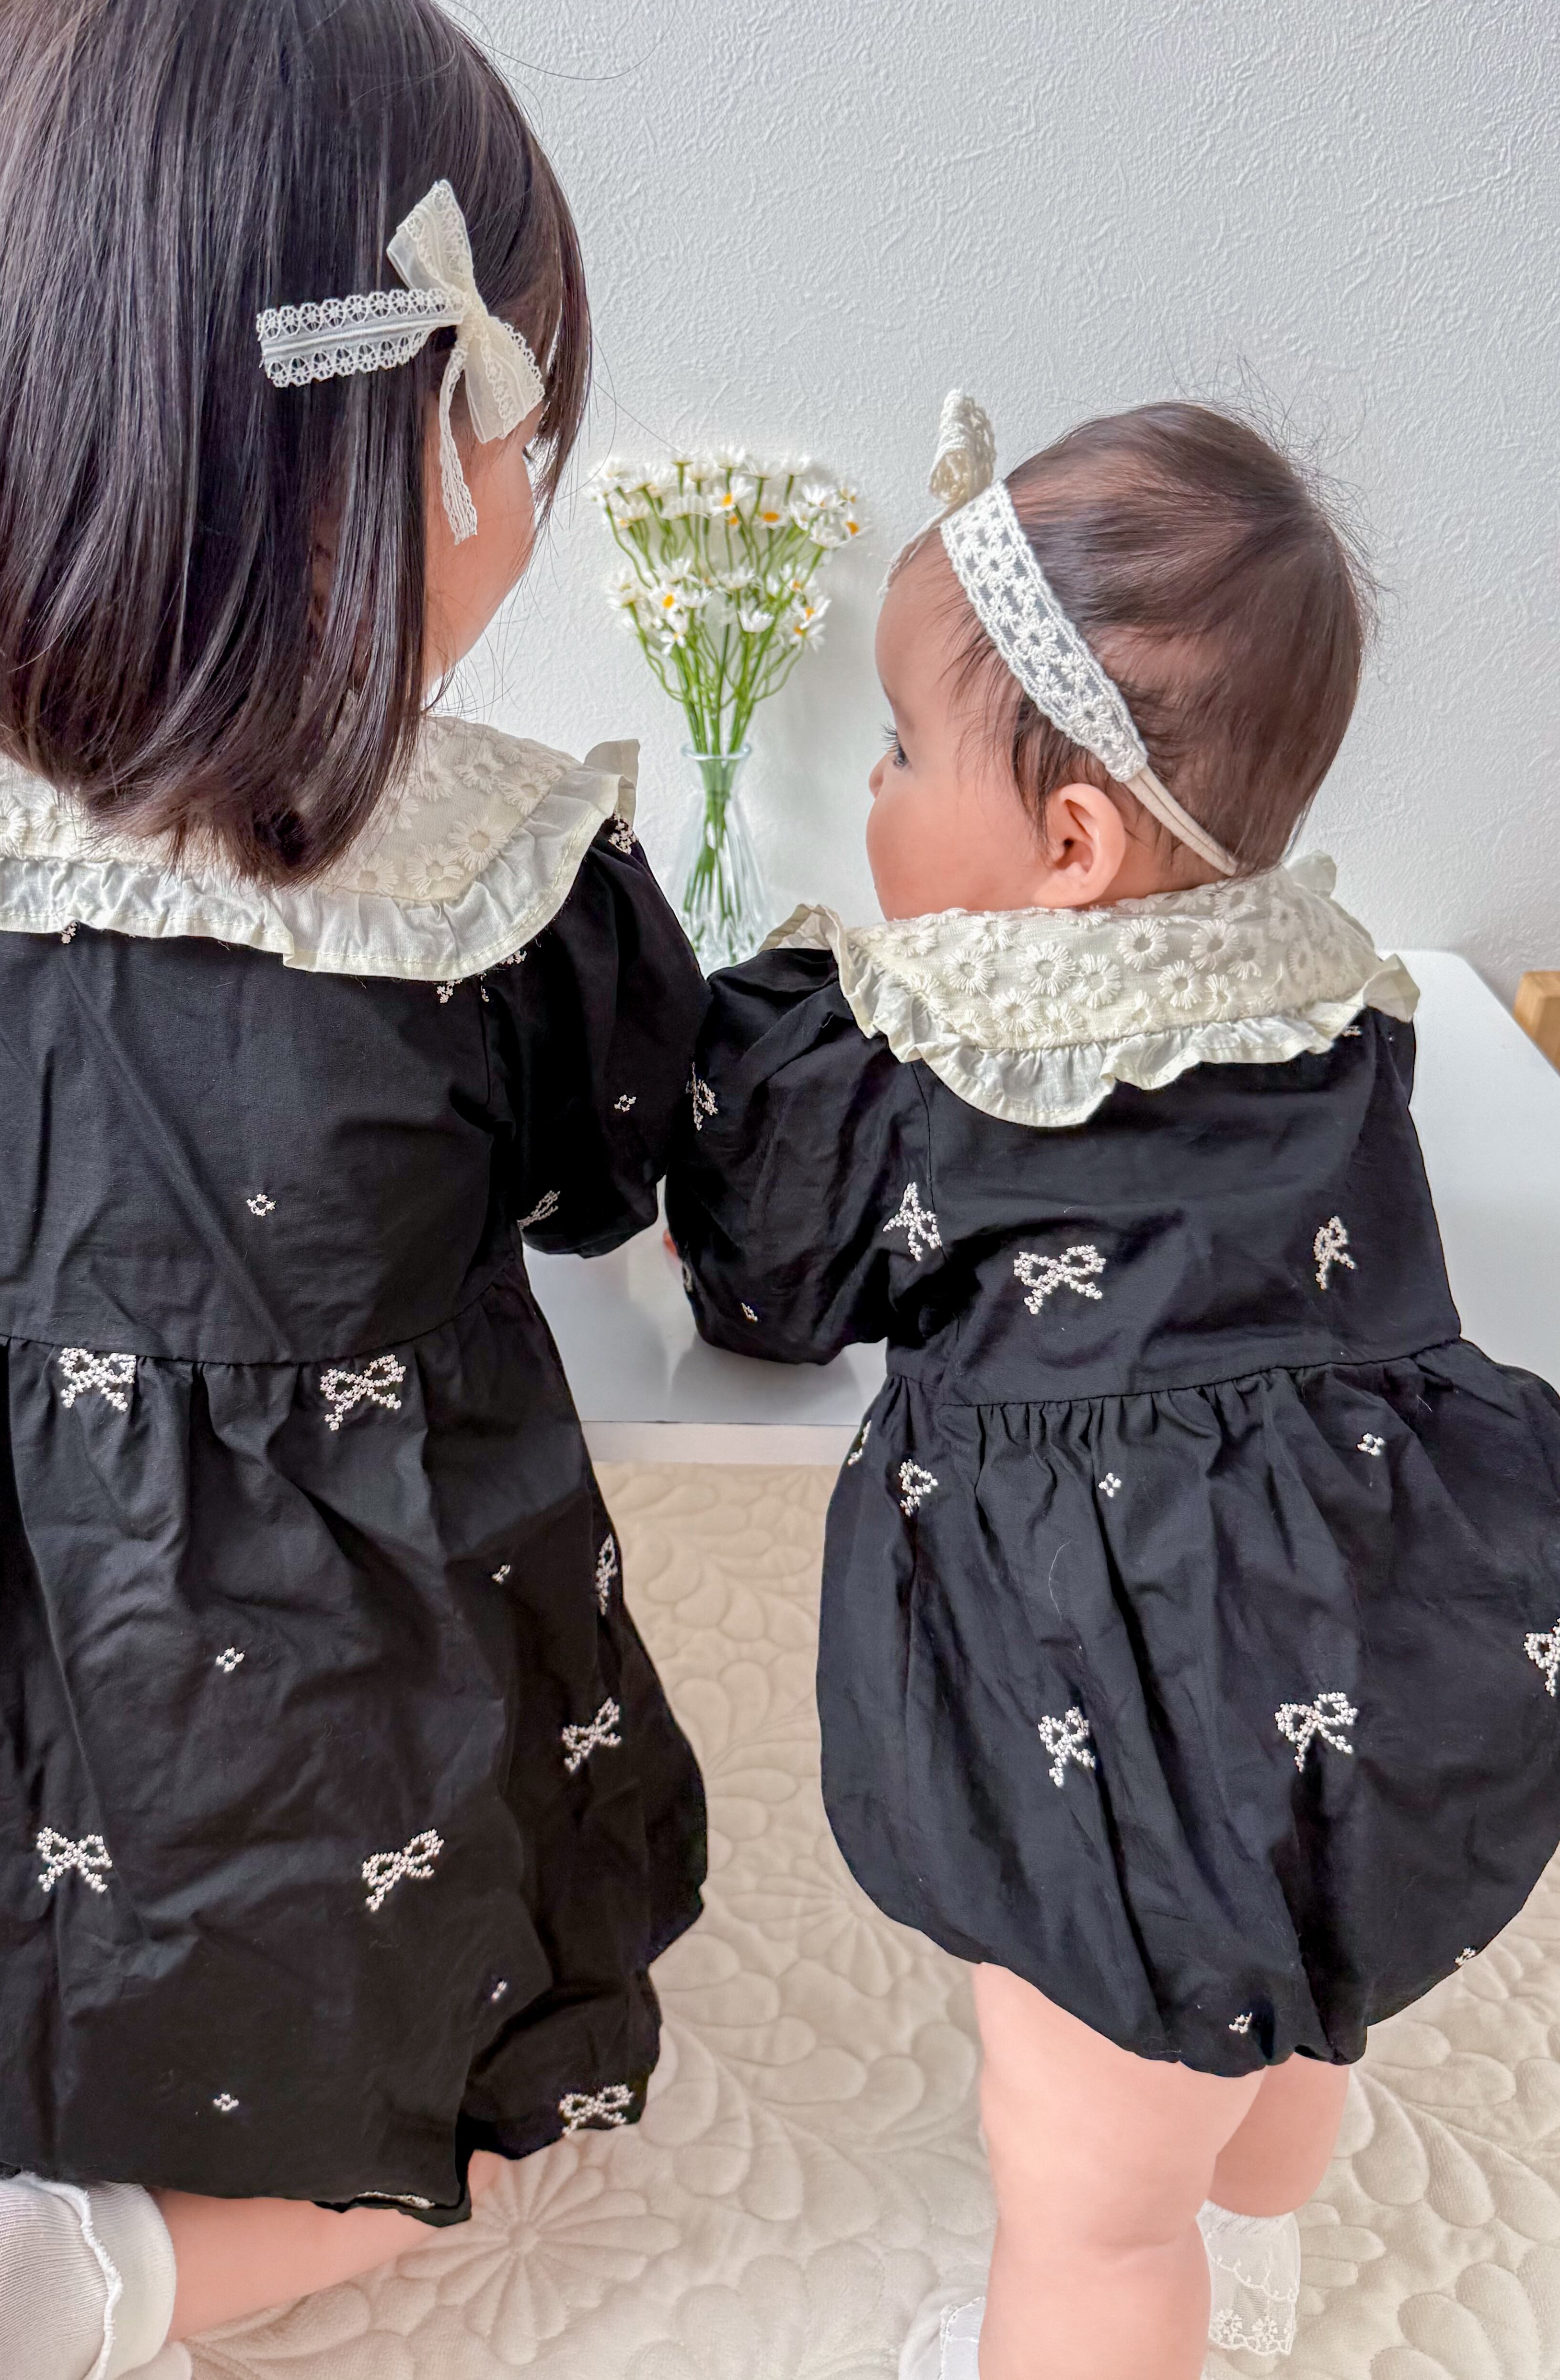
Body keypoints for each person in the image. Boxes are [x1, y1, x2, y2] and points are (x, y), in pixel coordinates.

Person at [0, 0, 708, 2380]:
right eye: (514, 432)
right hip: (336, 1719)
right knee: (500, 2114)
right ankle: (125, 2267)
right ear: (380, 470)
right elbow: (611, 1170)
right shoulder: (477, 872)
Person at [666, 391, 1560, 2380]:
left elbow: (768, 1286)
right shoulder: (1331, 994)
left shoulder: (928, 1059)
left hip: (1117, 1703)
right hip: (1389, 1626)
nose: (874, 788)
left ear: (1068, 846)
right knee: (1307, 1994)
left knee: (1083, 2181)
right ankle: (1249, 2262)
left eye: (901, 751)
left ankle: (1130, 2306)